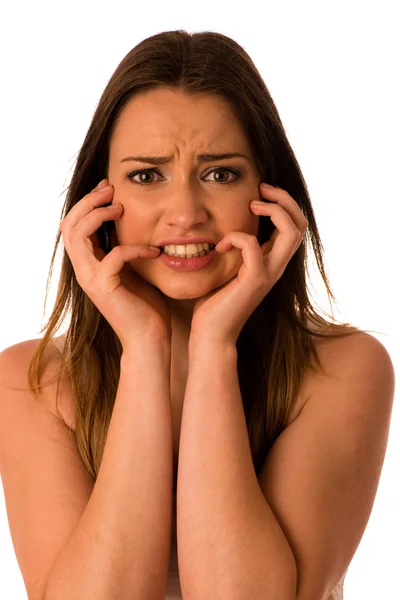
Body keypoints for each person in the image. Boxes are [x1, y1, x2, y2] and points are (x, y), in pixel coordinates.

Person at [0, 30, 394, 600]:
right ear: (97, 200)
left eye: (220, 173)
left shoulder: (346, 368)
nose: (185, 213)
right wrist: (142, 346)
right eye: (146, 175)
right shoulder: (27, 382)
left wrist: (214, 343)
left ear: (271, 192)